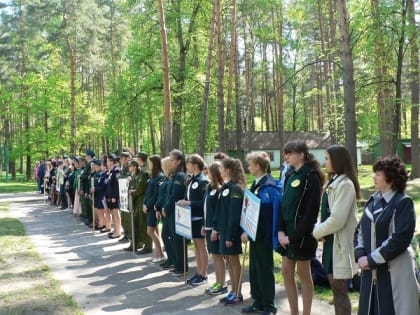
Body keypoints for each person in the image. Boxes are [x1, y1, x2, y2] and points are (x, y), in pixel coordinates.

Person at [355, 156, 419, 315]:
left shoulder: (403, 203)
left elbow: (400, 239)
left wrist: (370, 260)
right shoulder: (372, 201)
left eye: (378, 174)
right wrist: (360, 254)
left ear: (390, 178)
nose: (374, 177)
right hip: (370, 274)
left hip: (395, 272)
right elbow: (360, 231)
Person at [277, 140, 324, 315]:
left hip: (302, 236)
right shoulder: (289, 175)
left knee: (304, 274)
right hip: (286, 235)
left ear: (301, 155)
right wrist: (281, 232)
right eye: (285, 153)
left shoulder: (311, 177)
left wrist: (294, 237)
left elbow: (311, 213)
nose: (286, 157)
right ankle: (294, 312)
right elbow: (283, 205)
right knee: (286, 272)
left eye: (289, 153)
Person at [312, 144, 360, 315]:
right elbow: (325, 212)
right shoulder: (334, 182)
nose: (324, 162)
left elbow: (337, 219)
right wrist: (321, 231)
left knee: (339, 291)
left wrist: (317, 232)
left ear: (337, 161)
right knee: (335, 288)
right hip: (331, 243)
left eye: (327, 158)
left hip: (339, 244)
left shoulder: (345, 185)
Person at [241, 151, 282, 315]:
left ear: (258, 166)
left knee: (265, 269)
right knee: (255, 269)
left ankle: (269, 305)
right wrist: (246, 230)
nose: (248, 167)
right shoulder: (256, 184)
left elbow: (271, 213)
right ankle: (258, 300)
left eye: (250, 164)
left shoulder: (270, 186)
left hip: (264, 235)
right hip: (254, 235)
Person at [214, 157, 246, 305]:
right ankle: (233, 291)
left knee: (234, 262)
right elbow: (220, 211)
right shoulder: (226, 187)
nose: (220, 171)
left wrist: (231, 236)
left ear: (228, 170)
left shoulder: (235, 189)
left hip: (230, 233)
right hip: (224, 231)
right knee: (229, 261)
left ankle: (238, 292)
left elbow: (234, 215)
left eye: (221, 168)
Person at [177, 154, 209, 286]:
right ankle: (199, 271)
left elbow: (204, 202)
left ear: (195, 165)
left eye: (189, 163)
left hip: (199, 218)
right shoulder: (191, 180)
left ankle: (204, 274)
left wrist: (188, 202)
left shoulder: (202, 181)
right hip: (190, 217)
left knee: (201, 245)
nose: (187, 166)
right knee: (196, 245)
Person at [203, 161, 227, 295]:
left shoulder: (220, 189)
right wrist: (203, 225)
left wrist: (215, 229)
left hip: (214, 229)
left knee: (218, 256)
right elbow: (206, 207)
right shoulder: (209, 187)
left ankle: (222, 283)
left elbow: (218, 212)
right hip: (207, 226)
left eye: (209, 171)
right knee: (215, 256)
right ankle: (218, 281)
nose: (207, 173)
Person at [162, 149, 187, 276]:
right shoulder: (174, 175)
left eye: (172, 160)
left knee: (177, 240)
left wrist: (166, 208)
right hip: (171, 211)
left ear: (178, 161)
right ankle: (176, 263)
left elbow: (175, 195)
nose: (170, 162)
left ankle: (181, 266)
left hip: (176, 211)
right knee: (171, 237)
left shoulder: (180, 176)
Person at [143, 155, 166, 262]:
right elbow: (147, 193)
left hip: (153, 207)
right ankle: (157, 252)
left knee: (150, 231)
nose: (149, 164)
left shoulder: (160, 176)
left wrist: (148, 205)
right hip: (148, 206)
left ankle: (160, 253)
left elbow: (156, 194)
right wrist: (144, 203)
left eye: (150, 162)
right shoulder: (152, 176)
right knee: (154, 230)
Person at [155, 157, 174, 269]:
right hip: (162, 210)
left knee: (167, 235)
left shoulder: (170, 179)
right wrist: (157, 207)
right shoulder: (166, 179)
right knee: (165, 235)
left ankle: (172, 259)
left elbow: (168, 196)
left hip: (168, 211)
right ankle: (170, 259)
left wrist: (162, 207)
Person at [105, 153, 122, 239]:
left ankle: (118, 231)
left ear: (112, 161)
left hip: (115, 196)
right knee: (113, 213)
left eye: (108, 161)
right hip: (110, 195)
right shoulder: (111, 170)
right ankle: (115, 229)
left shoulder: (116, 170)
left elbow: (117, 184)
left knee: (115, 213)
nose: (106, 162)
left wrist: (115, 196)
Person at [119, 151, 132, 243]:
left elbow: (127, 179)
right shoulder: (123, 168)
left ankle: (130, 235)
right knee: (123, 216)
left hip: (128, 195)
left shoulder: (130, 167)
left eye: (122, 158)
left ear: (127, 158)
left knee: (127, 217)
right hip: (122, 194)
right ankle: (126, 234)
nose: (121, 160)